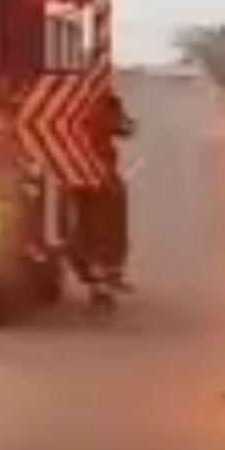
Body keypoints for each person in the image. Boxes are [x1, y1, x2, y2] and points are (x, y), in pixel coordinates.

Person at [75, 89, 136, 304]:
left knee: (88, 224)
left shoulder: (60, 96)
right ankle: (105, 275)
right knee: (108, 223)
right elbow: (127, 128)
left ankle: (100, 277)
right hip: (100, 175)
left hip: (71, 174)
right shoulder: (100, 99)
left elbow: (127, 127)